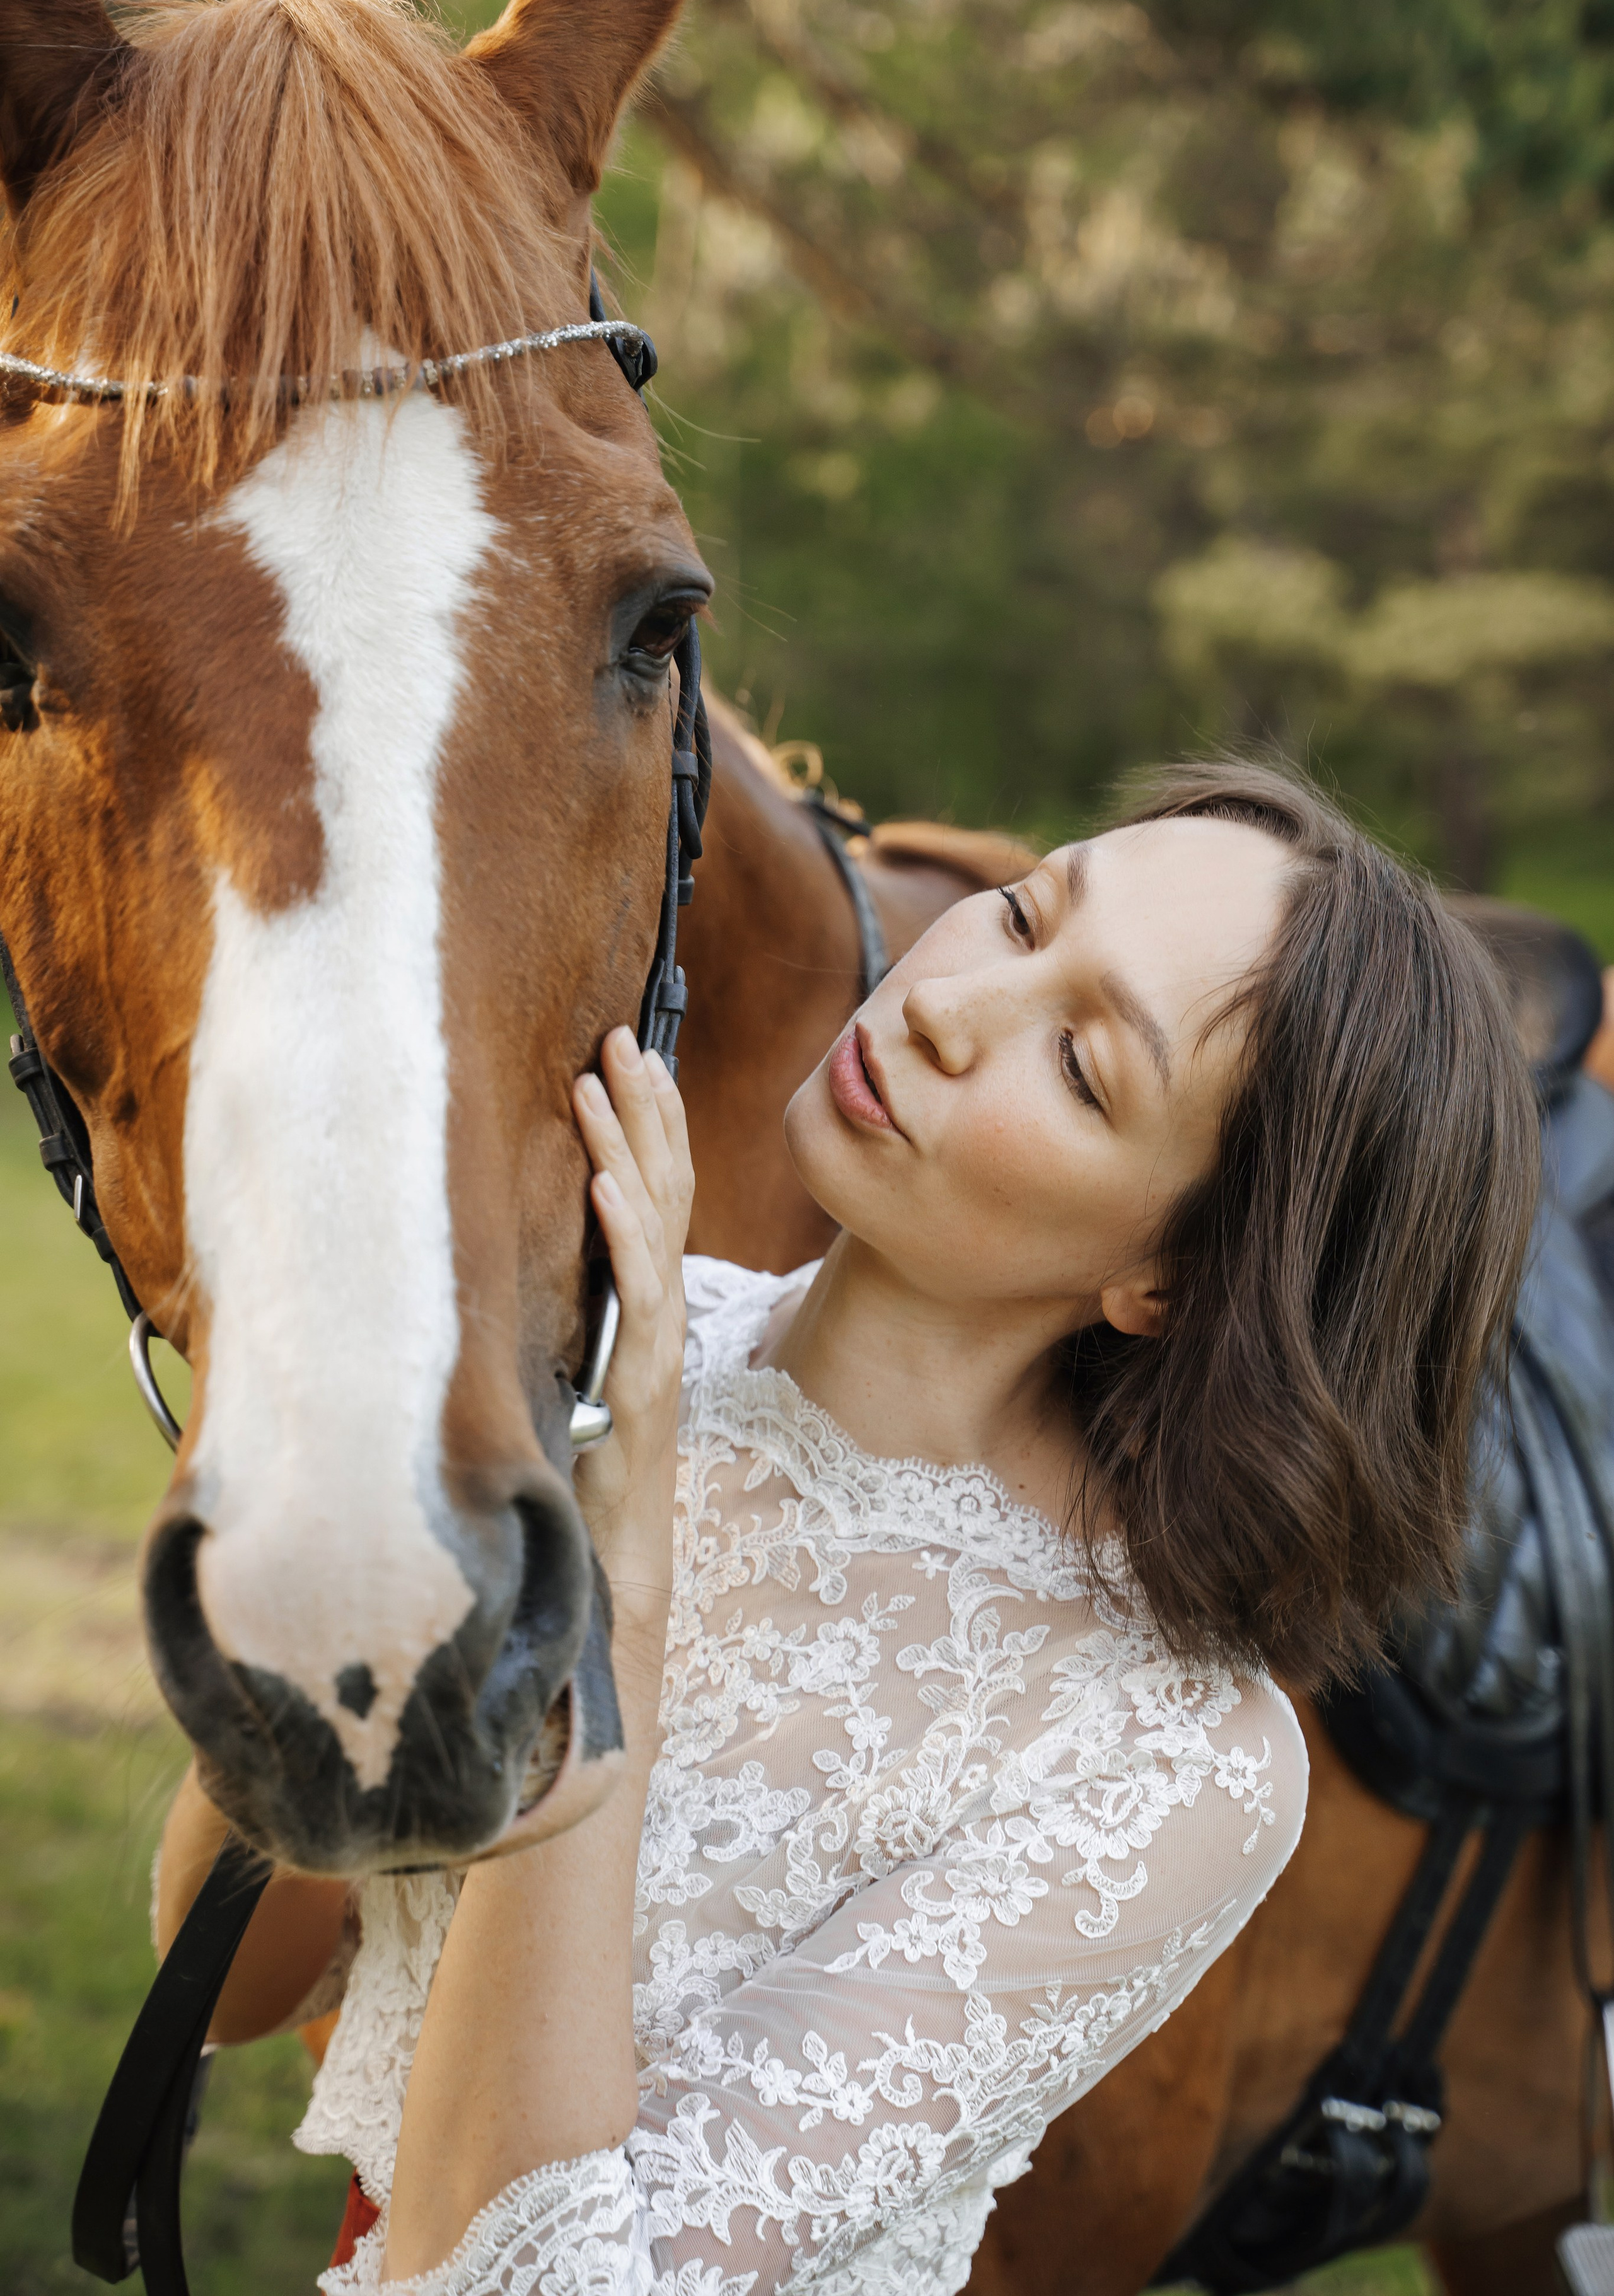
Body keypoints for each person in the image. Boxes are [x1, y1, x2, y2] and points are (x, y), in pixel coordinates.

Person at [157, 759, 1538, 2296]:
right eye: (1021, 915)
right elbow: (230, 1987)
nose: (951, 1004)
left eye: (1079, 1064)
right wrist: (330, 1460)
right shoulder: (603, 1354)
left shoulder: (1161, 1757)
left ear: (1167, 1279)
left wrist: (612, 1575)